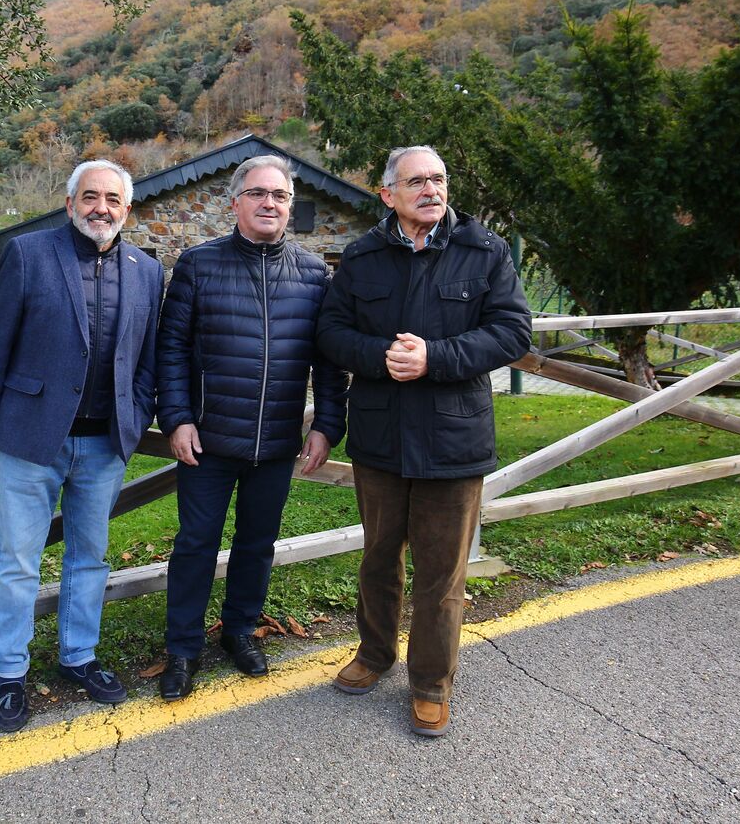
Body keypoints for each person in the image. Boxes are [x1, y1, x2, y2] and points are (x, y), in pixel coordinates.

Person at [316, 144, 530, 737]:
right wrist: (382, 358)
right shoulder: (362, 257)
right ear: (389, 194)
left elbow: (512, 332)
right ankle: (375, 654)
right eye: (416, 181)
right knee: (380, 558)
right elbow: (331, 333)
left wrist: (436, 358)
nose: (431, 190)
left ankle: (432, 681)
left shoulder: (484, 251)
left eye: (438, 179)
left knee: (442, 573)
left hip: (452, 440)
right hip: (381, 438)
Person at [0, 159, 165, 733]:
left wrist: (139, 411)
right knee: (17, 563)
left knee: (90, 558)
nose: (100, 207)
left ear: (126, 209)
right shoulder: (28, 255)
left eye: (112, 199)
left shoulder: (147, 270)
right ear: (71, 200)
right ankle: (10, 673)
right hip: (32, 439)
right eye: (90, 196)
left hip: (105, 444)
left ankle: (80, 657)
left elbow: (148, 357)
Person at [154, 155, 347, 700]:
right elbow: (170, 348)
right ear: (235, 201)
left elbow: (329, 361)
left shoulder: (313, 274)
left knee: (257, 543)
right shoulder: (198, 264)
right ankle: (184, 647)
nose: (270, 203)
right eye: (258, 193)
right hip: (209, 439)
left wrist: (327, 424)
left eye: (280, 196)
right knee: (196, 543)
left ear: (290, 205)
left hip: (279, 437)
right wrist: (177, 417)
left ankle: (240, 630)